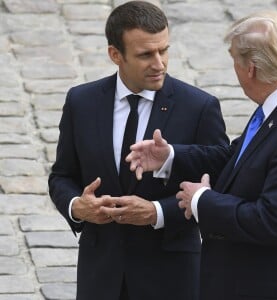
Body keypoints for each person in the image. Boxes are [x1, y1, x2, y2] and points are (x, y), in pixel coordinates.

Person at [48, 1, 229, 299]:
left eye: (164, 50)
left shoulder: (199, 107)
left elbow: (219, 187)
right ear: (115, 55)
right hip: (101, 277)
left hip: (170, 278)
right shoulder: (82, 102)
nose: (159, 63)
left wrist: (156, 212)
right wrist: (76, 207)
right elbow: (62, 176)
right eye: (145, 54)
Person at [127, 10, 277, 300]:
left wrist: (202, 201)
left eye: (234, 59)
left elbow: (273, 221)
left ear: (251, 69)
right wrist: (170, 156)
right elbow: (238, 161)